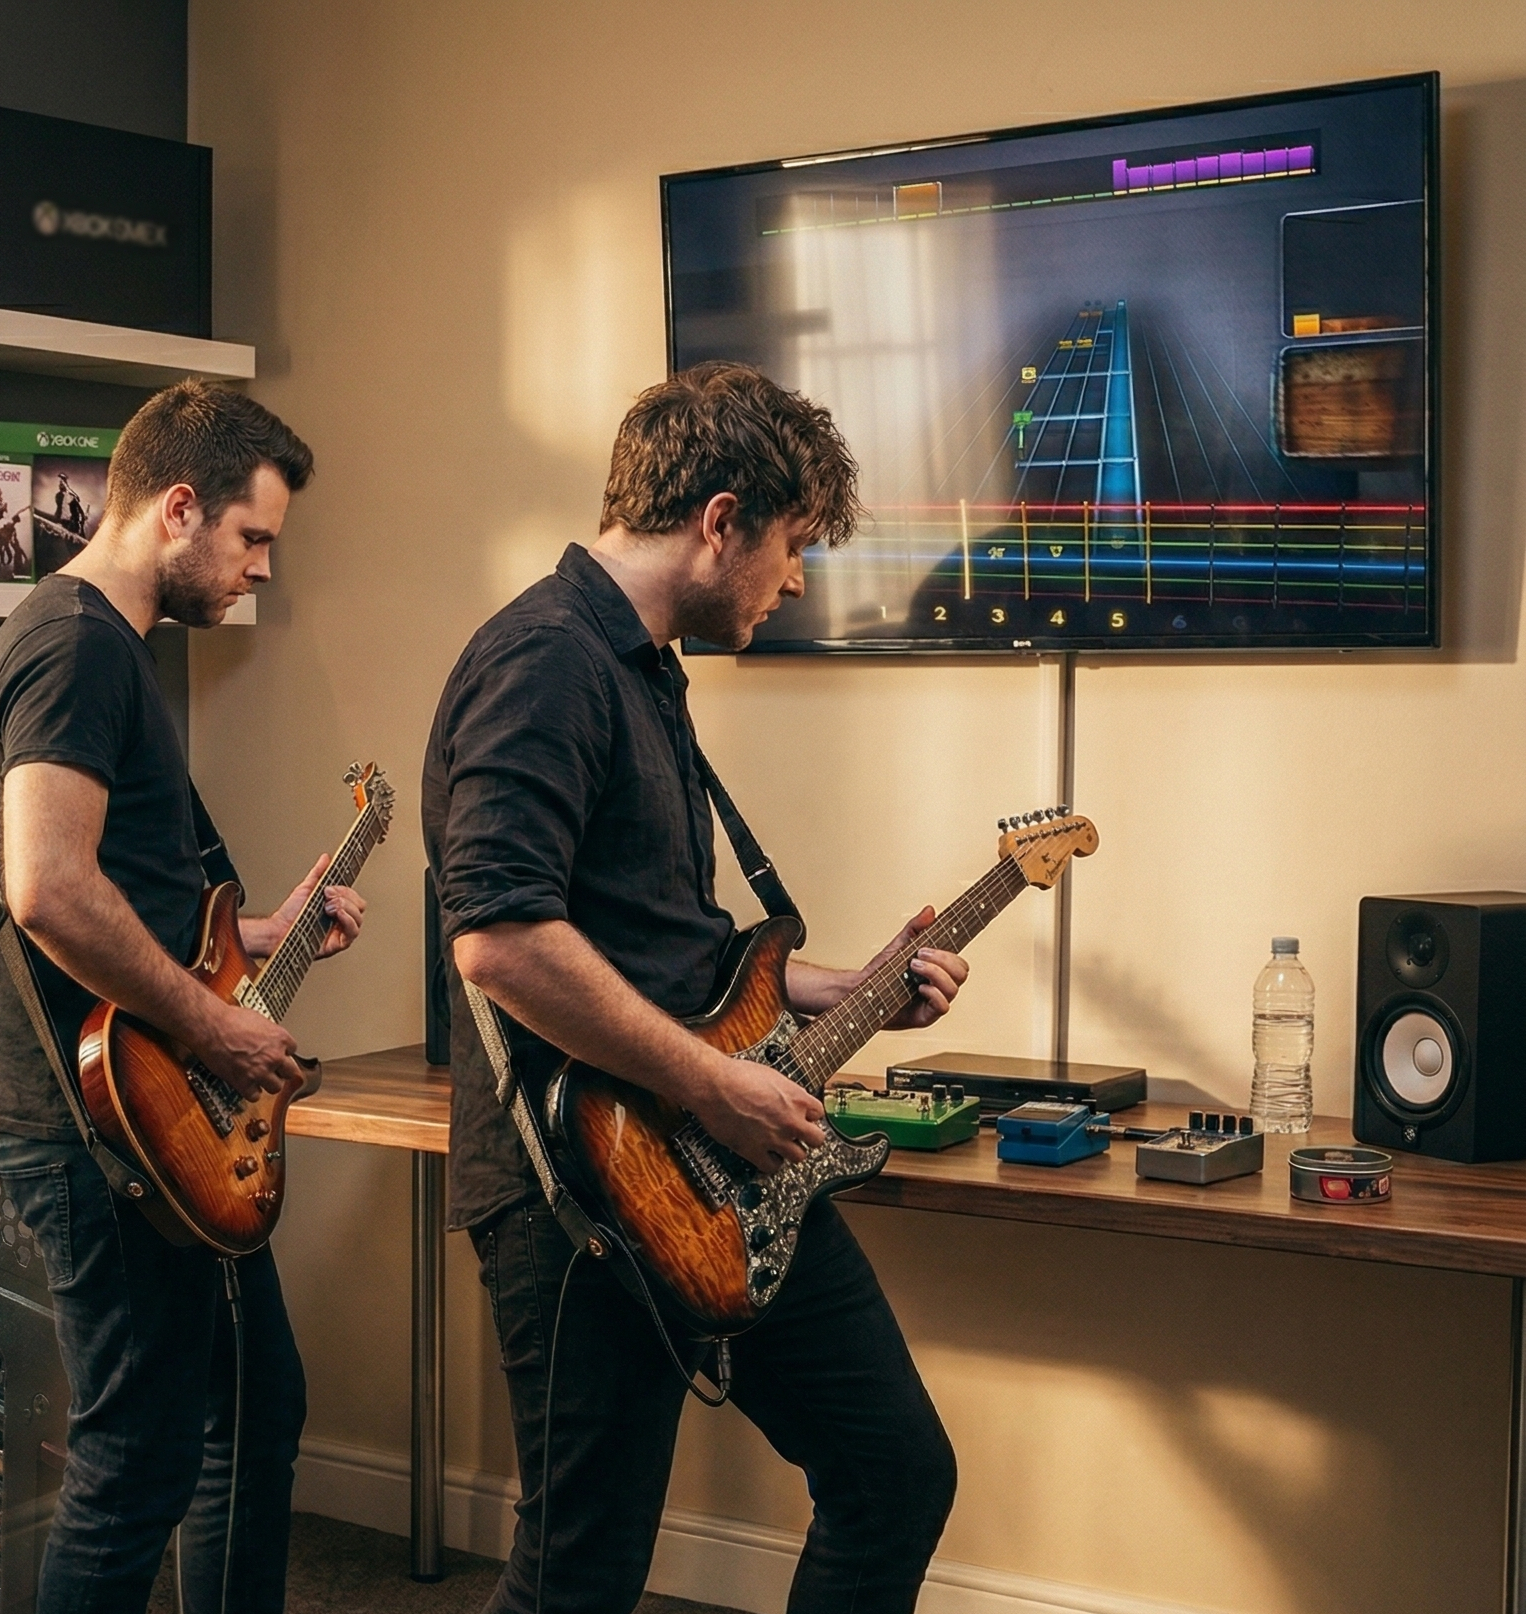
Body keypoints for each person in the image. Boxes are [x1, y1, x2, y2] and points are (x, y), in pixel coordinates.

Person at [423, 361, 966, 1614]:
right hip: (578, 1190)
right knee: (581, 1568)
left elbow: (667, 949)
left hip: (708, 1157)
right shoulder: (545, 660)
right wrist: (717, 1084)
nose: (792, 580)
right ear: (718, 520)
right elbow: (497, 939)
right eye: (788, 547)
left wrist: (841, 988)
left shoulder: (641, 667)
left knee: (892, 1472)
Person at [0, 380, 367, 1614]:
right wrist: (216, 1022)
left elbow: (119, 894)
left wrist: (254, 937)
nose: (262, 570)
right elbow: (45, 887)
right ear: (175, 507)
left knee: (255, 1412)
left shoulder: (108, 647)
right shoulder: (73, 642)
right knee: (133, 1466)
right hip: (100, 1132)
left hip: (155, 1122)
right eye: (252, 538)